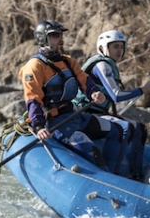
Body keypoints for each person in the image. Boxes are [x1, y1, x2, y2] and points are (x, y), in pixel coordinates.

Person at [19, 19, 124, 173]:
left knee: (118, 130)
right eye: (55, 35)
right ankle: (105, 177)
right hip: (56, 122)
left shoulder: (68, 61)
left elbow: (84, 80)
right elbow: (33, 98)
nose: (60, 39)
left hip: (74, 115)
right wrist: (39, 126)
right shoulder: (34, 66)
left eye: (60, 35)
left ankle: (115, 174)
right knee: (93, 152)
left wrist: (94, 92)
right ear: (43, 39)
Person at [75, 29, 150, 179]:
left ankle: (136, 175)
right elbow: (116, 95)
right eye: (115, 47)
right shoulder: (101, 65)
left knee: (140, 129)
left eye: (121, 46)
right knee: (124, 128)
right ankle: (111, 174)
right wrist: (142, 90)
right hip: (85, 114)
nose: (119, 50)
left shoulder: (110, 65)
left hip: (100, 113)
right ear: (103, 48)